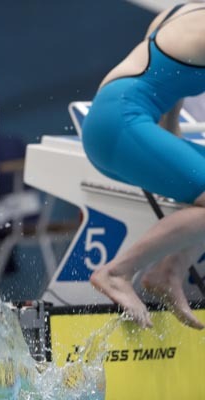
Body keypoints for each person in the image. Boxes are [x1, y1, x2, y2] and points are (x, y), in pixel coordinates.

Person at [82, 2, 205, 329]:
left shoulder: (181, 12)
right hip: (119, 125)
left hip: (118, 122)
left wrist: (173, 146)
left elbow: (171, 83)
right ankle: (116, 273)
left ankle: (167, 274)